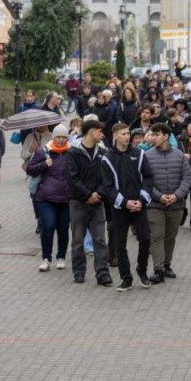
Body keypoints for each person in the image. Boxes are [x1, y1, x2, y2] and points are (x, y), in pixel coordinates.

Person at [100, 123, 154, 292]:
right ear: (115, 136)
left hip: (139, 205)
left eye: (128, 133)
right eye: (123, 134)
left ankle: (142, 270)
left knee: (145, 238)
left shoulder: (139, 153)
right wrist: (124, 202)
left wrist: (141, 200)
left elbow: (148, 178)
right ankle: (126, 278)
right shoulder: (107, 158)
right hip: (119, 208)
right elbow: (107, 186)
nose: (127, 136)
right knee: (120, 244)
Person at [65, 119, 112, 285]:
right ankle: (79, 271)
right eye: (100, 131)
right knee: (78, 240)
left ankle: (102, 273)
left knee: (100, 239)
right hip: (78, 203)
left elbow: (107, 177)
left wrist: (98, 194)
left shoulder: (103, 152)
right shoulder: (73, 152)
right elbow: (72, 178)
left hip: (97, 203)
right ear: (91, 131)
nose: (102, 135)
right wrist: (87, 195)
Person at [145, 123, 191, 284]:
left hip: (176, 205)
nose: (153, 137)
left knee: (170, 237)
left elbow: (187, 178)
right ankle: (158, 269)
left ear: (166, 136)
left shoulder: (179, 155)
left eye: (156, 134)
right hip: (155, 205)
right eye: (152, 134)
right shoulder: (148, 155)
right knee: (157, 236)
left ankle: (167, 265)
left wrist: (177, 195)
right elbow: (145, 181)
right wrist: (159, 196)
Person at [27, 124, 72, 271]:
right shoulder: (43, 152)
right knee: (48, 226)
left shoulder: (72, 152)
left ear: (67, 138)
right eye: (58, 137)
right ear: (53, 137)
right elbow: (30, 170)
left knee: (63, 228)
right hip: (46, 196)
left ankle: (61, 257)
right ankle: (46, 258)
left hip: (66, 197)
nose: (60, 140)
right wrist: (44, 165)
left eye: (63, 137)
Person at [21, 125, 52, 233]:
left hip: (46, 172)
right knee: (34, 197)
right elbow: (23, 155)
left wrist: (42, 152)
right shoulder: (30, 137)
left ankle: (45, 221)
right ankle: (39, 220)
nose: (41, 126)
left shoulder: (51, 137)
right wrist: (30, 150)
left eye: (44, 123)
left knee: (44, 196)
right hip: (32, 171)